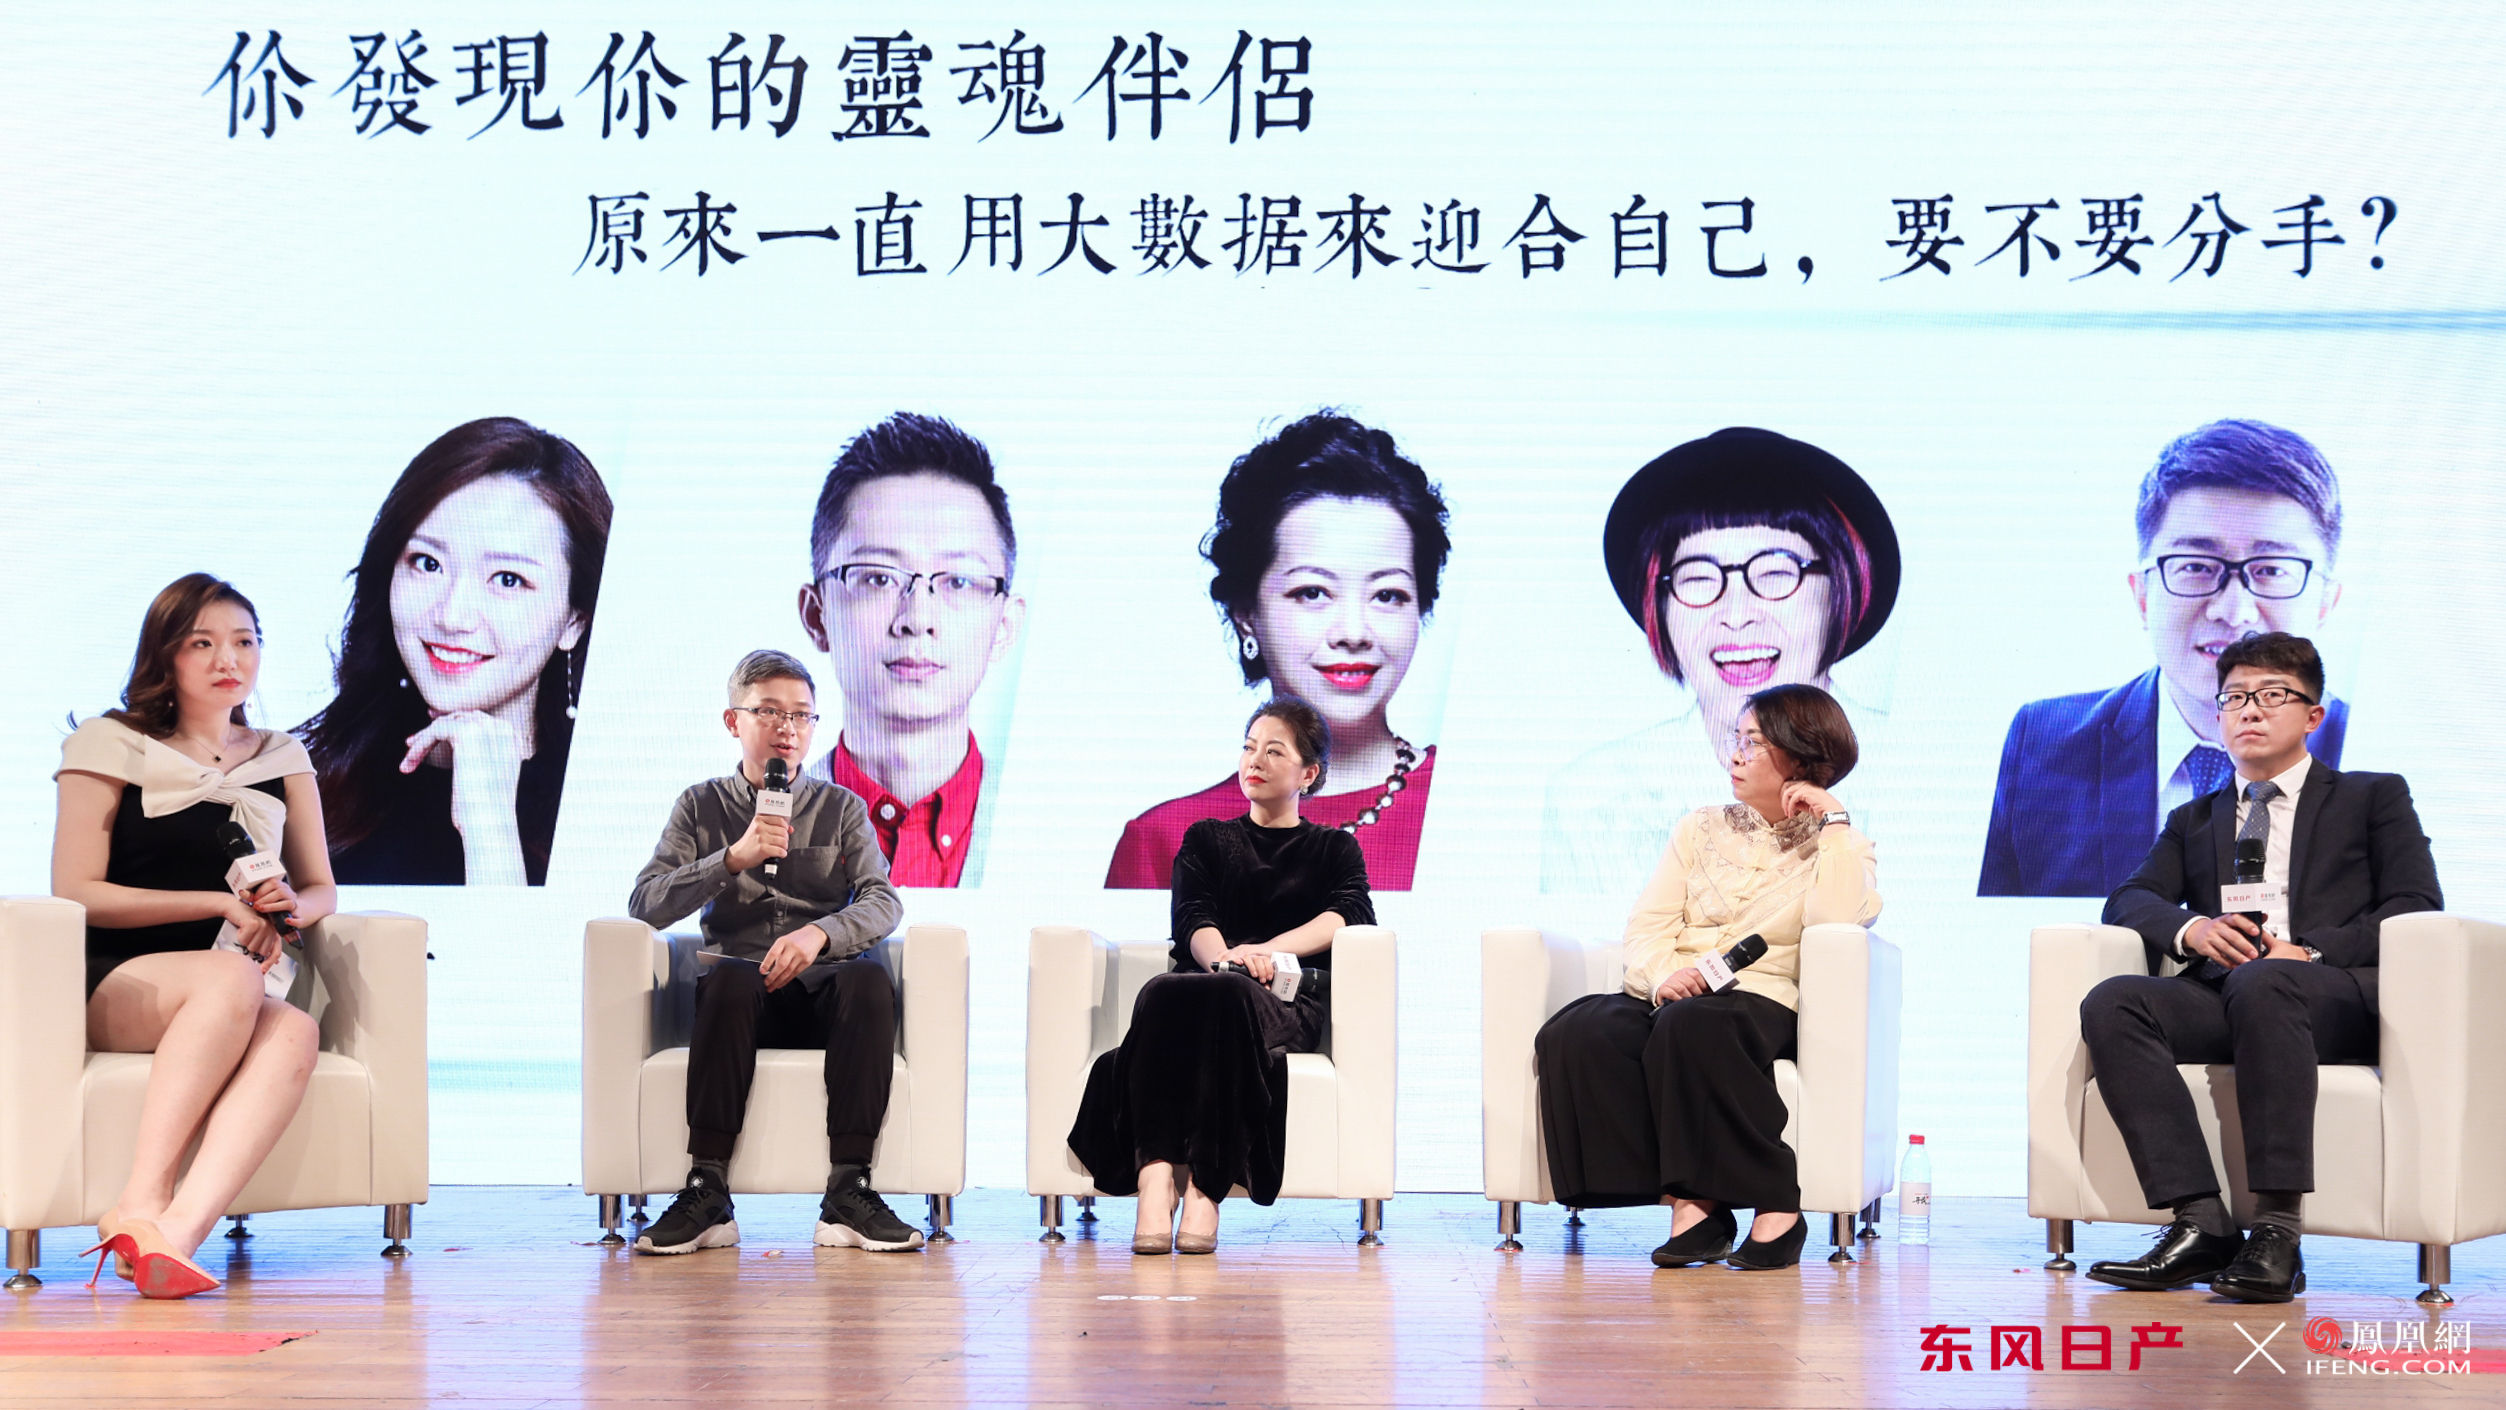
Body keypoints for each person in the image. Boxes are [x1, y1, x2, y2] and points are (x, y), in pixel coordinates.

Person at [2080, 632, 2437, 1303]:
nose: (2249, 709)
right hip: (2234, 992)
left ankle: (2278, 1232)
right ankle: (2201, 1222)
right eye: (2234, 697)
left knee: (2267, 979)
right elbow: (2130, 897)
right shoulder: (2195, 817)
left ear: (2313, 715)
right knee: (2115, 1002)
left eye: (2272, 695)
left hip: (2329, 997)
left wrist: (2313, 951)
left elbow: (2414, 905)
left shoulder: (2371, 797)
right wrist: (2195, 929)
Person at [52, 574, 336, 1299]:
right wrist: (218, 903)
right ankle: (140, 1199)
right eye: (202, 643)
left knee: (296, 1030)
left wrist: (288, 907)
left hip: (228, 978)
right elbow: (76, 889)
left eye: (244, 641)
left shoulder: (282, 756)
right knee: (233, 976)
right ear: (165, 654)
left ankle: (175, 1236)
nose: (227, 660)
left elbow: (320, 887)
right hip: (117, 976)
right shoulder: (109, 742)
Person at [1533, 683, 1879, 1271]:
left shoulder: (1844, 845)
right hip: (1679, 989)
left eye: (1753, 743)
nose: (1734, 755)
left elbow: (1837, 921)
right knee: (1582, 1031)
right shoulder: (1699, 827)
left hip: (1762, 998)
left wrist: (1834, 822)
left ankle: (1777, 1205)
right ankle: (1691, 1203)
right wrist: (1663, 976)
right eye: (1735, 739)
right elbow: (1649, 924)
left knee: (1695, 1025)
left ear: (1800, 755)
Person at [1980, 420, 2352, 897]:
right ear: (2142, 595)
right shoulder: (2041, 744)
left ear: (2325, 604)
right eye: (2196, 566)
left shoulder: (2374, 756)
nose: (2232, 611)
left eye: (2272, 570)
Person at [627, 650, 919, 1255]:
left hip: (823, 996)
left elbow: (883, 900)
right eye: (769, 711)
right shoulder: (700, 805)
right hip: (738, 1000)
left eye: (801, 715)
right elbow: (646, 902)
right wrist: (731, 858)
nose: (788, 728)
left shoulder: (842, 808)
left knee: (868, 981)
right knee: (731, 981)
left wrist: (821, 935)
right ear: (733, 721)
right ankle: (706, 1192)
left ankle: (850, 1192)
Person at [1070, 699, 1374, 1254]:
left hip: (1285, 1000)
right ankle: (1155, 1178)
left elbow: (1350, 914)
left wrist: (1263, 953)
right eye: (1249, 747)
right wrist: (1227, 960)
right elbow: (1192, 919)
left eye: (1274, 751)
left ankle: (1204, 1191)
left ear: (1309, 774)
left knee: (1227, 994)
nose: (1254, 760)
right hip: (1208, 985)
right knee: (1164, 987)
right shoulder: (1206, 838)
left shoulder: (1334, 847)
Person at [1543, 428, 1898, 896]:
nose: (1736, 615)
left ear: (1842, 587)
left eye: (1775, 572)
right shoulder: (1590, 798)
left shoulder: (1907, 767)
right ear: (1658, 604)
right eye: (1697, 578)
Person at [1107, 413, 1452, 891]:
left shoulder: (1471, 810)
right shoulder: (1167, 840)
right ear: (1247, 613)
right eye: (1312, 592)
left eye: (1387, 595)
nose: (1354, 633)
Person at [298, 417, 614, 886]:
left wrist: (490, 828)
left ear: (575, 621)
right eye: (428, 563)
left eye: (508, 579)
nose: (452, 615)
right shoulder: (304, 783)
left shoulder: (612, 809)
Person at [797, 413, 1025, 888]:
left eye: (958, 581)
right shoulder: (737, 845)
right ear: (817, 615)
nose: (917, 619)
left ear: (1004, 625)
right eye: (878, 578)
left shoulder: (1062, 845)